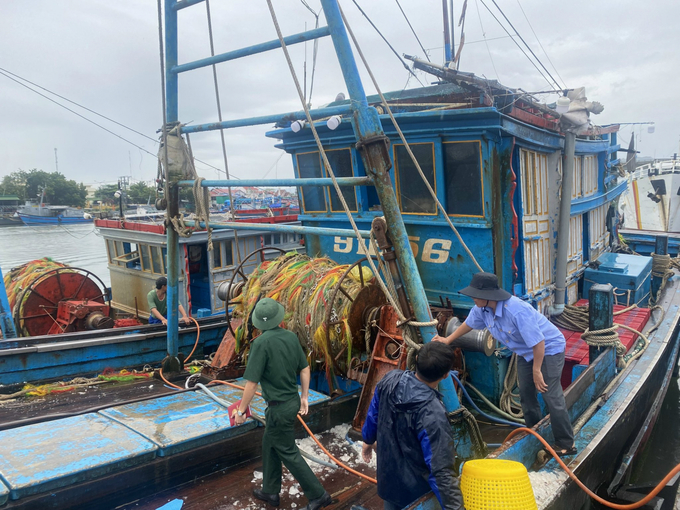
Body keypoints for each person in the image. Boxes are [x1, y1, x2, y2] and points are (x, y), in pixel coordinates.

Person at [434, 272, 576, 456]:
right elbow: (468, 324)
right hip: (525, 352)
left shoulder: (515, 311)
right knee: (526, 393)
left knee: (551, 395)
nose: (473, 298)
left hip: (548, 349)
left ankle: (566, 443)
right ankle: (534, 433)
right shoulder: (482, 308)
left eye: (475, 295)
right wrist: (447, 340)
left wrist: (537, 371)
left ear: (488, 296)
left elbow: (539, 342)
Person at [232, 298, 331, 510]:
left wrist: (240, 411)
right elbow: (304, 369)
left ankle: (318, 495)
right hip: (291, 401)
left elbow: (251, 384)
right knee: (269, 444)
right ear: (278, 317)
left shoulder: (260, 343)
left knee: (288, 451)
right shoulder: (290, 337)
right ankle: (270, 491)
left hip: (278, 409)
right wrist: (304, 397)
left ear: (258, 322)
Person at [361, 342, 466, 510]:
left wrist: (367, 438)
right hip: (416, 492)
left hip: (388, 481)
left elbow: (374, 412)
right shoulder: (432, 413)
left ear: (416, 359)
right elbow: (440, 470)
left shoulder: (390, 379)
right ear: (446, 375)